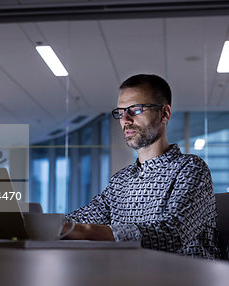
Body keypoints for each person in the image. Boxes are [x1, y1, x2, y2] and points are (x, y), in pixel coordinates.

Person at [63, 74, 220, 259]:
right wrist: (38, 224)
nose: (125, 120)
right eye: (121, 112)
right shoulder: (121, 180)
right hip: (130, 277)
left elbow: (172, 234)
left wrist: (86, 231)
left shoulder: (190, 169)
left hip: (185, 280)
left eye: (135, 110)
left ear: (165, 113)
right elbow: (80, 219)